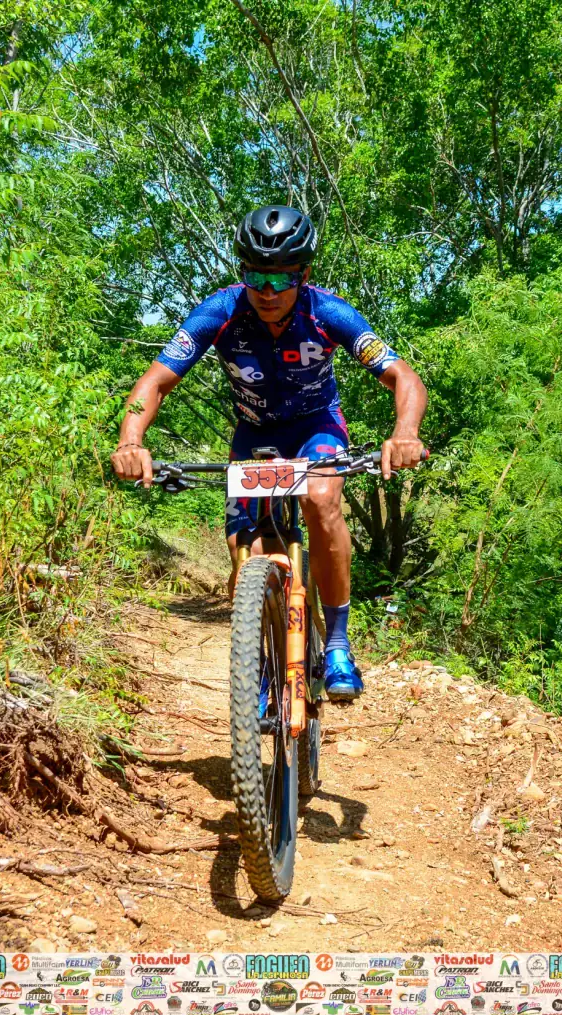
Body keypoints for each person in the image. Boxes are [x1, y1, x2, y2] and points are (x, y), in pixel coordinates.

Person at [111, 205, 428, 700]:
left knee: (321, 501)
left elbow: (402, 376)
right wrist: (131, 441)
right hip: (254, 437)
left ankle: (340, 643)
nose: (267, 292)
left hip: (316, 428)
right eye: (256, 277)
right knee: (249, 558)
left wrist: (405, 432)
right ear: (243, 272)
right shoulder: (220, 312)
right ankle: (259, 664)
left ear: (303, 275)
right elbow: (154, 383)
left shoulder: (328, 313)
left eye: (281, 280)